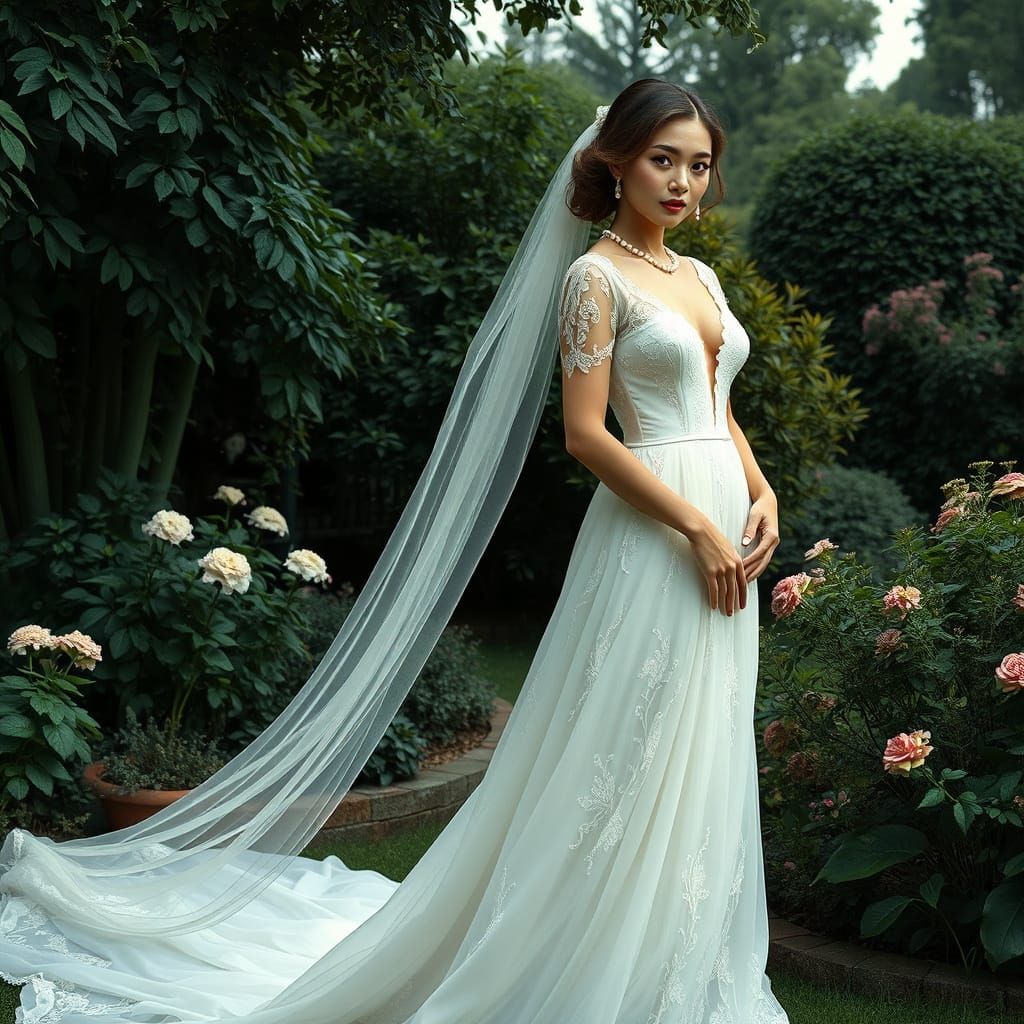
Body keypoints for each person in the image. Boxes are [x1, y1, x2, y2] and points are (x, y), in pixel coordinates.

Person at [0, 79, 788, 1023]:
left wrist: (760, 489)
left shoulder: (701, 279)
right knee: (623, 744)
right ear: (615, 158)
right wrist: (696, 524)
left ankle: (673, 959)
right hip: (655, 536)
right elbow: (586, 435)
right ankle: (575, 957)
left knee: (699, 741)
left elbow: (720, 409)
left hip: (725, 527)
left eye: (699, 165)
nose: (683, 182)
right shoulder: (595, 277)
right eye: (664, 158)